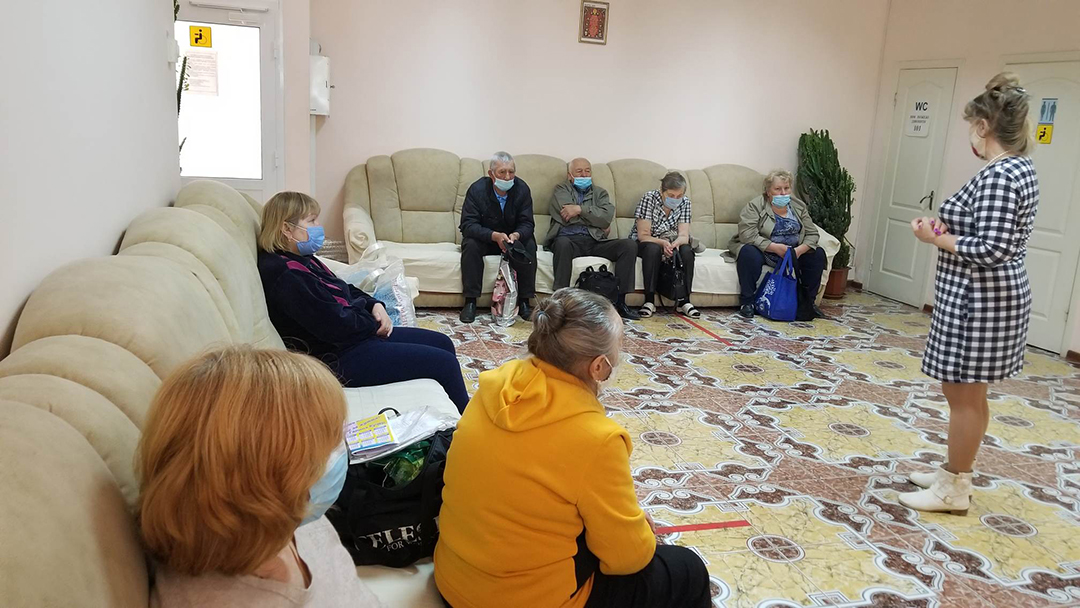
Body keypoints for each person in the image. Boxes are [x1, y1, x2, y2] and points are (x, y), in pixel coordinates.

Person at [435, 288, 711, 608]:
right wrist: (639, 532)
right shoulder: (598, 438)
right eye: (620, 345)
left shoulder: (494, 386)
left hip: (454, 581)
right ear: (599, 367)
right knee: (686, 569)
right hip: (522, 599)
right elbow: (626, 558)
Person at [138, 346, 386, 607]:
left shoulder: (291, 517)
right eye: (328, 442)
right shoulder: (222, 600)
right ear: (266, 477)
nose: (341, 449)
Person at [901, 72, 1039, 514]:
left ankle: (954, 488)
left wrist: (935, 238)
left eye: (971, 126)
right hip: (985, 299)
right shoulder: (1017, 168)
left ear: (983, 126)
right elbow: (985, 232)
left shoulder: (1000, 175)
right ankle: (954, 471)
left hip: (978, 303)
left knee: (962, 394)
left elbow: (992, 249)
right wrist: (944, 228)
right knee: (970, 394)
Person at [256, 192, 469, 413]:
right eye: (311, 221)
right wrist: (373, 322)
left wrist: (374, 305)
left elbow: (345, 288)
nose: (318, 227)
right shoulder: (285, 274)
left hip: (355, 339)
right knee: (444, 363)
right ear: (286, 228)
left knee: (443, 342)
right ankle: (469, 425)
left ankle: (456, 415)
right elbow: (335, 325)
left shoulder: (302, 260)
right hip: (337, 357)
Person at [546, 157, 641, 320]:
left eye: (587, 171)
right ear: (570, 175)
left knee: (629, 245)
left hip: (595, 241)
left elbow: (606, 217)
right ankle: (560, 300)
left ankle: (620, 302)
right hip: (569, 240)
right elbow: (566, 217)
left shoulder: (600, 193)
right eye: (579, 171)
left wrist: (578, 210)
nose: (584, 175)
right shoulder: (561, 190)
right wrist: (595, 218)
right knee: (561, 243)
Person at [729, 169, 828, 319]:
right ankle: (747, 302)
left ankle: (808, 304)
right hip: (765, 251)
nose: (783, 193)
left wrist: (799, 251)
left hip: (793, 253)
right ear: (768, 191)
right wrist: (774, 247)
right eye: (778, 189)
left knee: (818, 254)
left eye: (786, 188)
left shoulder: (799, 207)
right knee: (748, 252)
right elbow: (747, 234)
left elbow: (812, 234)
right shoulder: (755, 206)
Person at [458, 151, 537, 324]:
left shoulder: (522, 189)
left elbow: (528, 223)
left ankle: (524, 300)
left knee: (530, 244)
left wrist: (516, 235)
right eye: (502, 172)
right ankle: (470, 301)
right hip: (487, 238)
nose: (507, 177)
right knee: (470, 244)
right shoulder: (477, 189)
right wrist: (494, 236)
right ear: (491, 174)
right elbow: (467, 225)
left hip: (511, 239)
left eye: (511, 172)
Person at [629, 171, 700, 318]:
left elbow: (684, 235)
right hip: (649, 241)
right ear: (662, 191)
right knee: (653, 249)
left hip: (671, 240)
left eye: (679, 196)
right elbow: (643, 235)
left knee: (687, 251)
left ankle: (684, 300)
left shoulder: (685, 203)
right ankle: (649, 300)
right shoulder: (649, 198)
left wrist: (675, 244)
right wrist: (663, 243)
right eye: (671, 195)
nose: (675, 199)